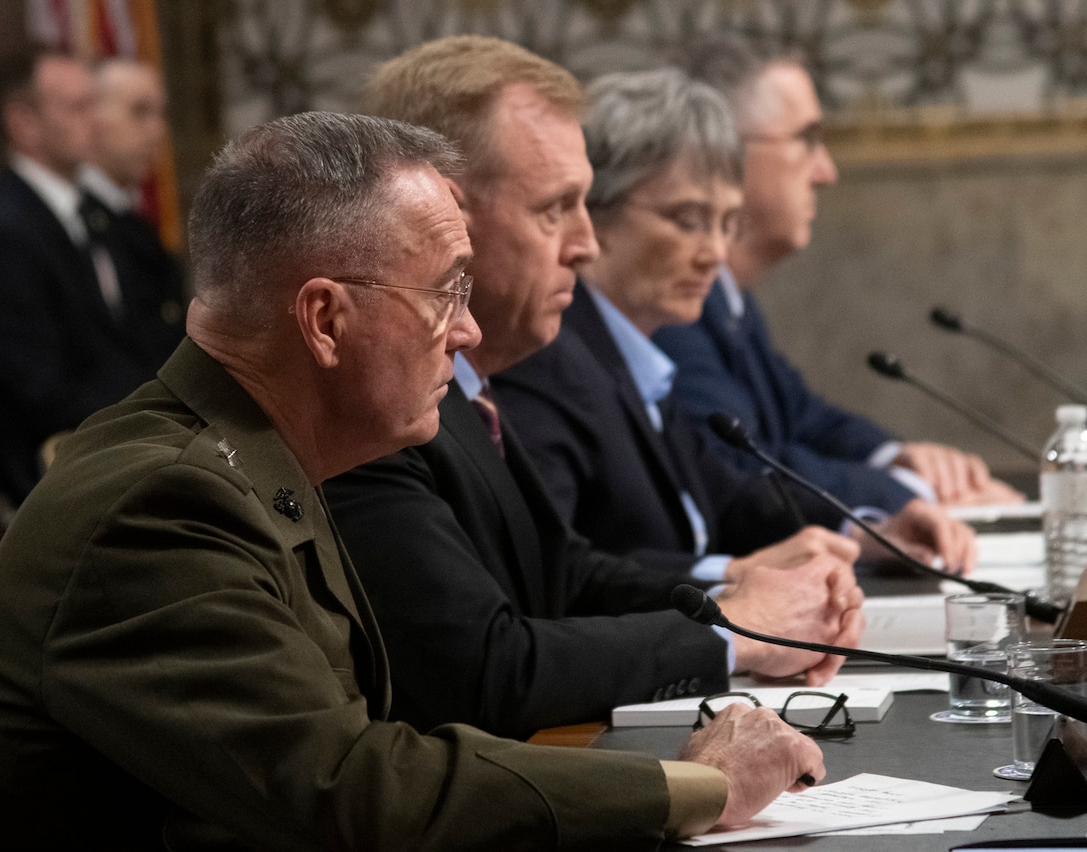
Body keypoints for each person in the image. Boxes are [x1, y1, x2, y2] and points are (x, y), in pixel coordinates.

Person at [0, 109, 825, 849]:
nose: (470, 332)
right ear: (325, 320)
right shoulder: (163, 505)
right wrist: (697, 788)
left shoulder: (262, 454)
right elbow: (349, 787)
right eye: (447, 293)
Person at [324, 36, 864, 743]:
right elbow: (490, 671)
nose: (586, 243)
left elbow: (562, 572)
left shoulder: (467, 388)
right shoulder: (375, 409)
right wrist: (734, 635)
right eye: (556, 209)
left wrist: (739, 599)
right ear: (443, 215)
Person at [494, 68, 977, 583]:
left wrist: (866, 533)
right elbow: (563, 571)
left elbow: (729, 498)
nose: (715, 254)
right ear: (597, 215)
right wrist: (736, 575)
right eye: (689, 220)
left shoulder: (632, 354)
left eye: (726, 225)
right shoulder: (549, 357)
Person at [651, 35, 1022, 508]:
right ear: (724, 152)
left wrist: (897, 457)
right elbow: (741, 465)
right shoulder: (670, 307)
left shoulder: (730, 301)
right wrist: (918, 493)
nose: (826, 172)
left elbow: (805, 418)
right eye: (806, 141)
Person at [0, 48, 176, 502]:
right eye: (78, 107)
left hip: (120, 438)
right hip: (62, 473)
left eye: (96, 104)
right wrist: (161, 411)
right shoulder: (6, 236)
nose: (96, 122)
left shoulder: (90, 214)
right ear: (23, 124)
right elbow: (42, 392)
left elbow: (136, 336)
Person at [79, 57, 186, 362]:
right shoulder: (76, 222)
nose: (156, 130)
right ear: (91, 117)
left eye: (160, 114)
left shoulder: (126, 215)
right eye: (139, 111)